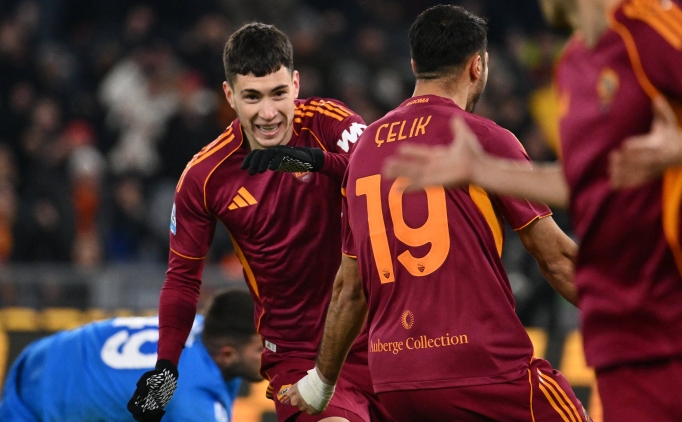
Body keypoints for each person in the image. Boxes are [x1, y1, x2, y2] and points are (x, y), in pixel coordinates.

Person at [281, 5, 590, 421]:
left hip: (395, 381)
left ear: (414, 64)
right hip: (482, 369)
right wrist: (634, 312)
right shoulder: (482, 139)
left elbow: (349, 288)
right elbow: (555, 259)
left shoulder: (364, 150)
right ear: (477, 66)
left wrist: (321, 382)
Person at [383, 0, 682, 420]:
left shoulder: (655, 27)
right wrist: (481, 170)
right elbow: (583, 183)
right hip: (620, 329)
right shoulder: (573, 64)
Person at [127, 23, 392, 422]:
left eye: (278, 94)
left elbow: (386, 173)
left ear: (296, 84)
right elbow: (182, 278)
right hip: (300, 355)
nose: (268, 114)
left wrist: (316, 162)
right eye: (252, 97)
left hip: (383, 337)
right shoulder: (204, 177)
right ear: (229, 95)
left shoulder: (328, 122)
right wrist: (167, 366)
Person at [0, 289, 262, 422]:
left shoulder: (206, 327)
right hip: (36, 406)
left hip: (42, 354)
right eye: (261, 349)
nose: (275, 354)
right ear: (227, 355)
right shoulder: (192, 403)